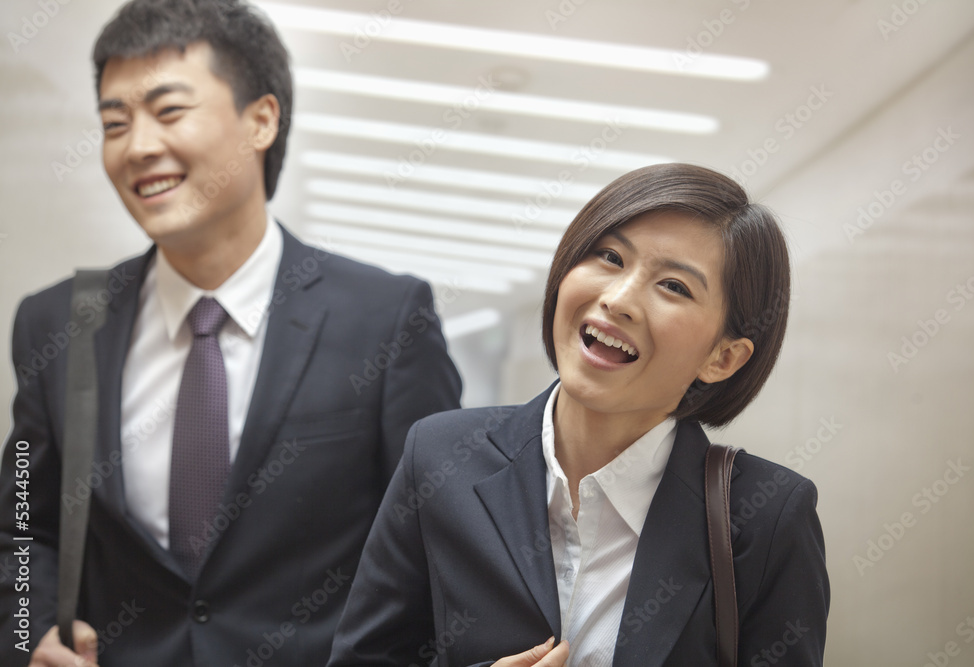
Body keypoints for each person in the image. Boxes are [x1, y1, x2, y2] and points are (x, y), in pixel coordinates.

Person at [0, 1, 462, 665]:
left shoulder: (385, 320)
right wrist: (28, 636)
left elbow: (434, 548)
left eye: (169, 110)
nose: (137, 146)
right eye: (114, 122)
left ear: (261, 121)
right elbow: (22, 521)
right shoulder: (63, 322)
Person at [327, 163, 830, 667]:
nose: (618, 299)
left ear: (722, 358)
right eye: (610, 257)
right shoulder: (439, 457)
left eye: (674, 286)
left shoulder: (766, 517)